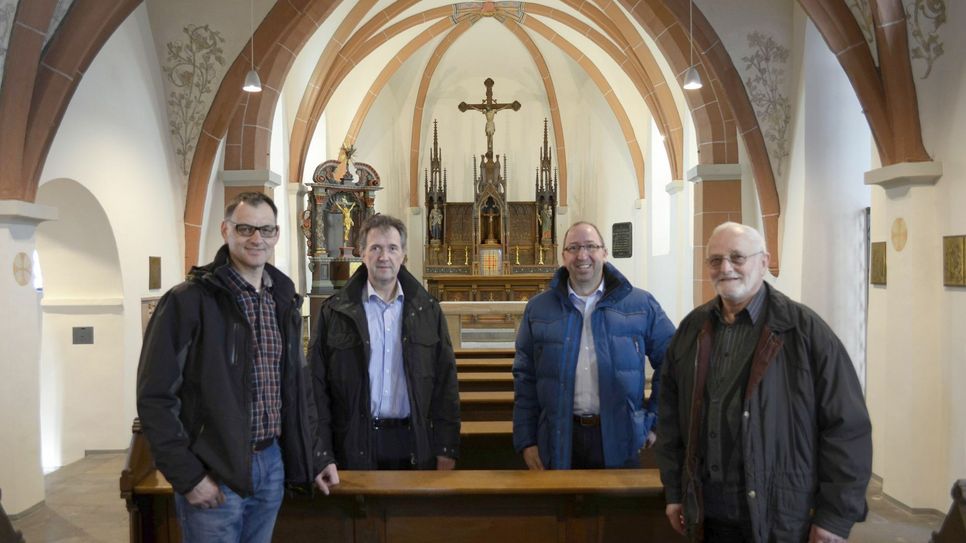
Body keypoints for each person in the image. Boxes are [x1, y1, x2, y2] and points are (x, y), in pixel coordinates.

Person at [655, 222, 872, 542]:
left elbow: (846, 428)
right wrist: (675, 492)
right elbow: (671, 418)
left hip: (781, 515)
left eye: (737, 257)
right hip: (707, 514)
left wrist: (835, 517)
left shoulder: (805, 332)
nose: (725, 268)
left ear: (764, 262)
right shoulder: (692, 329)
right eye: (715, 260)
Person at [137, 192, 335, 543]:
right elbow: (155, 397)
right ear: (225, 230)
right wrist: (188, 476)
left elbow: (297, 388)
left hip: (271, 464)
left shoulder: (281, 298)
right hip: (214, 468)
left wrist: (315, 456)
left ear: (276, 234)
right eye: (245, 229)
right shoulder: (188, 301)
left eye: (266, 230)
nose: (257, 239)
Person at [513, 221, 675, 469]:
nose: (582, 255)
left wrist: (654, 422)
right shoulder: (538, 308)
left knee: (618, 496)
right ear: (563, 256)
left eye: (591, 246)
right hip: (558, 437)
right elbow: (525, 378)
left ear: (604, 253)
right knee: (562, 496)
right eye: (574, 248)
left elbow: (674, 362)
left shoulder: (641, 304)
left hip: (621, 436)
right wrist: (527, 440)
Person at [310, 214, 460, 473]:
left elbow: (446, 384)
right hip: (353, 442)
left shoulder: (427, 311)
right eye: (375, 248)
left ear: (403, 254)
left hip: (414, 441)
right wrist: (322, 454)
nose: (384, 257)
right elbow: (315, 388)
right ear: (362, 253)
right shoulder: (334, 312)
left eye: (392, 248)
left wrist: (446, 447)